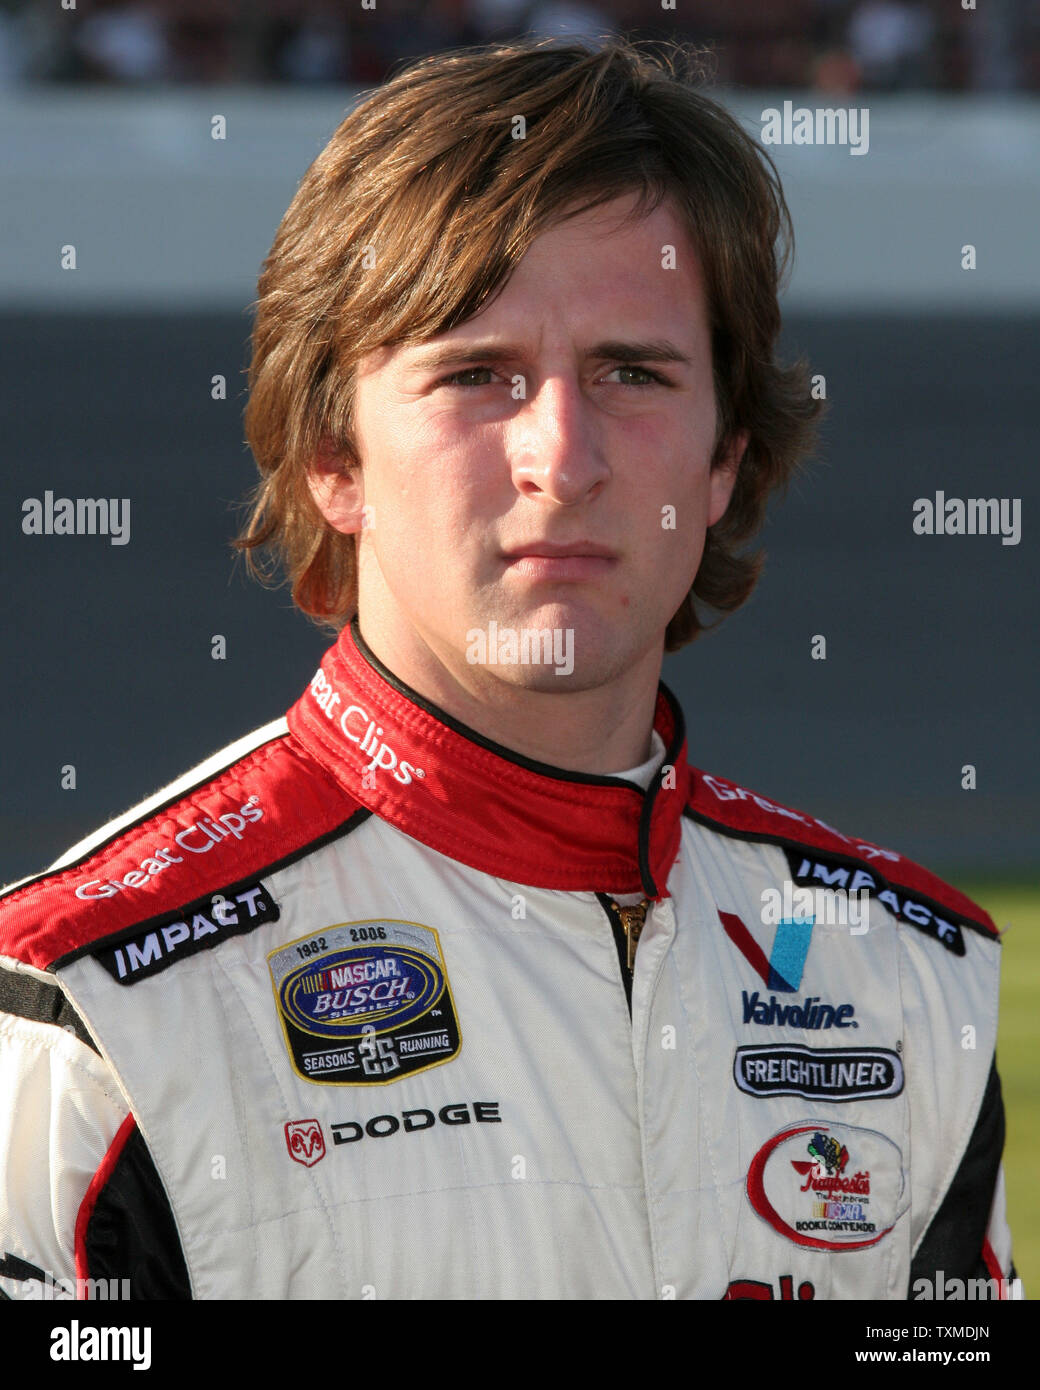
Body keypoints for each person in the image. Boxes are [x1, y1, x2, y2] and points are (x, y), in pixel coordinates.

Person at [0, 36, 1015, 1301]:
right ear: (335, 455)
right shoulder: (85, 1003)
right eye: (477, 375)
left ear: (720, 459)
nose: (563, 456)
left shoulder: (910, 977)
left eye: (631, 372)